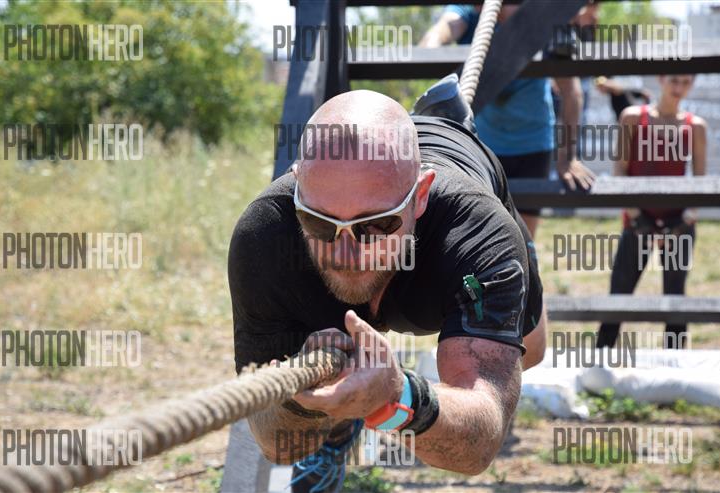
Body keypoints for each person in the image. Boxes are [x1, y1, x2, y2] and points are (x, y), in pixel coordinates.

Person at [229, 85, 547, 492]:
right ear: (297, 187)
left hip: (473, 171)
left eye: (376, 225)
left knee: (531, 349)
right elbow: (274, 442)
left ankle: (445, 121)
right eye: (319, 222)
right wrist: (302, 402)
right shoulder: (266, 232)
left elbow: (479, 444)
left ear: (420, 197)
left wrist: (396, 398)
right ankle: (339, 423)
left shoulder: (478, 231)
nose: (346, 253)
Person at [420, 4, 596, 237]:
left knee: (525, 237)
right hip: (484, 148)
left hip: (533, 145)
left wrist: (568, 158)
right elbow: (444, 29)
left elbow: (572, 93)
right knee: (483, 231)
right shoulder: (470, 14)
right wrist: (432, 48)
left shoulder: (540, 17)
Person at [596, 75, 707, 349]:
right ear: (661, 79)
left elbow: (701, 180)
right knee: (619, 292)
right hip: (637, 220)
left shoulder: (695, 126)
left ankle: (675, 361)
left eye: (686, 82)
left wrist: (685, 220)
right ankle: (599, 360)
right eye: (674, 80)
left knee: (675, 297)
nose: (678, 88)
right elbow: (620, 170)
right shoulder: (633, 117)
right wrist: (636, 217)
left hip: (678, 222)